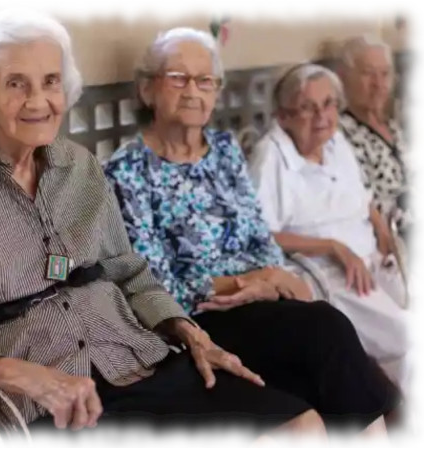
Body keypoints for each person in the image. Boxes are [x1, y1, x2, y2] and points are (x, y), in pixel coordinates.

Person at [0, 9, 332, 438]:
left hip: (133, 357)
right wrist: (25, 376)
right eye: (16, 84)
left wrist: (186, 329)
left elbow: (129, 273)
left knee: (302, 425)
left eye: (50, 82)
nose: (38, 101)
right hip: (42, 399)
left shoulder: (79, 165)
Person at [104, 27, 399, 434]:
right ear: (147, 90)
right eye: (178, 78)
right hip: (200, 321)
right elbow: (155, 286)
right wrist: (250, 281)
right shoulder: (126, 172)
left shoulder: (224, 150)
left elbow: (260, 235)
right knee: (326, 327)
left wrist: (272, 277)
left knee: (321, 361)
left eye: (205, 80)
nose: (193, 91)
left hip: (261, 304)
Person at [247, 63, 410, 394]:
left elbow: (361, 197)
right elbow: (258, 235)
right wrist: (333, 247)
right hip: (329, 272)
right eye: (307, 107)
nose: (321, 116)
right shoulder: (270, 157)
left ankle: (391, 395)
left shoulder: (336, 142)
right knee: (406, 336)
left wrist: (382, 229)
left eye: (328, 104)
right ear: (283, 117)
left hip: (371, 258)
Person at [337, 35, 410, 236]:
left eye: (385, 74)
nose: (378, 84)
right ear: (343, 77)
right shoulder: (340, 134)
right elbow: (361, 203)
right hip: (391, 234)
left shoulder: (392, 126)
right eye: (368, 74)